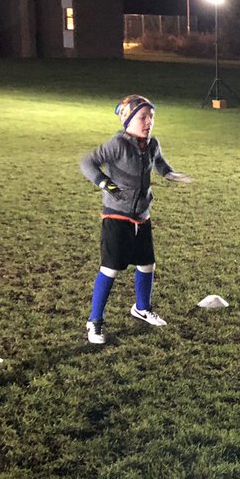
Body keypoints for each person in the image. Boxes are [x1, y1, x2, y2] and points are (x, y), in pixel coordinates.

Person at [79, 94, 191, 345]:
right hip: (117, 216)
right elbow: (88, 162)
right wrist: (104, 182)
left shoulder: (152, 144)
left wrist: (171, 174)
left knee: (147, 265)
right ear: (127, 119)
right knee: (110, 269)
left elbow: (159, 163)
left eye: (151, 116)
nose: (148, 121)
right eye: (142, 117)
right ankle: (94, 321)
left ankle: (142, 308)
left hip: (142, 216)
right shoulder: (117, 144)